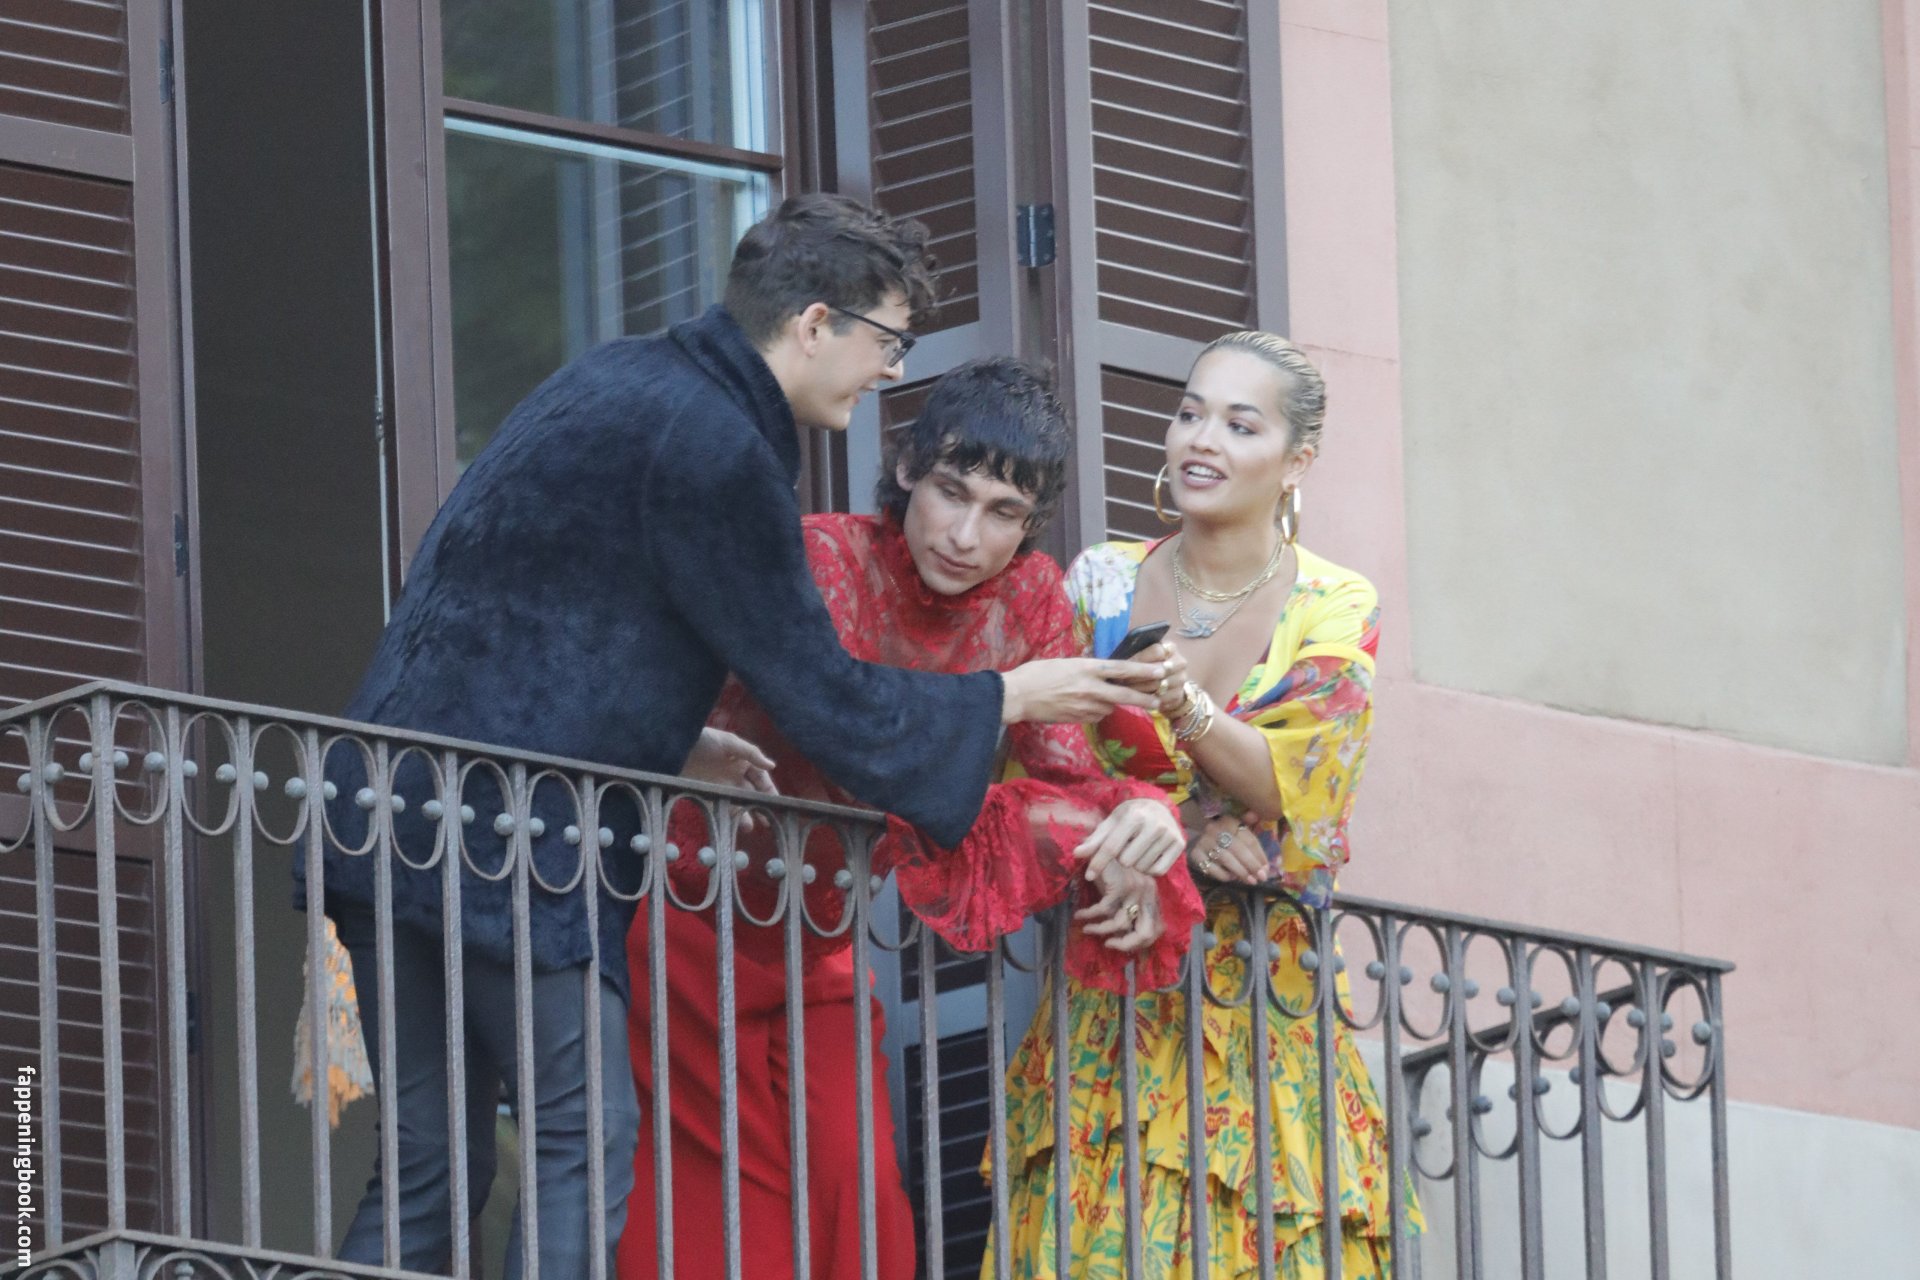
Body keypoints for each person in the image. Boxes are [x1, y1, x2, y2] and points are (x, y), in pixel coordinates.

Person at [296, 194, 1168, 1278]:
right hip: (515, 832)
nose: (888, 371)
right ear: (816, 323)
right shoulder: (721, 447)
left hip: (382, 803)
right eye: (887, 341)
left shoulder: (614, 378)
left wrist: (668, 738)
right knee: (583, 1142)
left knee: (428, 1167)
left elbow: (545, 614)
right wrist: (1005, 697)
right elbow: (829, 703)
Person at [617, 358, 1204, 1280]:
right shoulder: (820, 556)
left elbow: (1065, 776)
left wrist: (1146, 815)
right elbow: (845, 721)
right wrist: (1007, 695)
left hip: (824, 941)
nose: (966, 535)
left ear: (1032, 525)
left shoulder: (1030, 598)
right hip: (686, 919)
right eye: (950, 492)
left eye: (1003, 512)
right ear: (905, 472)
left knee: (865, 1209)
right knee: (725, 1218)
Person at [993, 332, 1416, 1278]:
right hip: (1115, 980)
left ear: (1296, 461)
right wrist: (1179, 832)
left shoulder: (1334, 602)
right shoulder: (1101, 580)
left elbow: (1294, 782)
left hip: (1264, 989)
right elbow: (1038, 771)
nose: (1201, 439)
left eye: (1239, 424)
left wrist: (1182, 704)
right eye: (1190, 413)